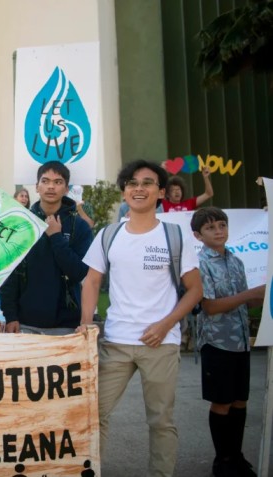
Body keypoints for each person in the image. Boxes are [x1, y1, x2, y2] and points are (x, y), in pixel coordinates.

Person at [78, 159, 203, 477]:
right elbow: (91, 282)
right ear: (124, 192)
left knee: (161, 421)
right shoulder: (109, 235)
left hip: (161, 344)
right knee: (94, 414)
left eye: (147, 183)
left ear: (161, 192)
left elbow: (194, 290)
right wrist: (86, 323)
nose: (139, 188)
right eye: (132, 183)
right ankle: (92, 471)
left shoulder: (175, 236)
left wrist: (165, 324)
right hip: (116, 342)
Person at [191, 207, 263, 477]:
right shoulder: (201, 265)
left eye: (222, 225)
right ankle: (222, 461)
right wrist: (250, 294)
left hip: (241, 342)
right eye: (211, 228)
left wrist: (261, 296)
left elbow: (247, 301)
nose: (219, 231)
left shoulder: (236, 261)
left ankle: (237, 456)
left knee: (240, 401)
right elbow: (209, 307)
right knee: (221, 402)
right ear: (198, 235)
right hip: (217, 343)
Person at [0, 161, 92, 335]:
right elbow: (9, 274)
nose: (51, 187)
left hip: (66, 325)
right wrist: (10, 315)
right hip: (25, 324)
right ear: (36, 187)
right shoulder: (20, 224)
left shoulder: (79, 227)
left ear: (66, 189)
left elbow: (79, 272)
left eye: (58, 182)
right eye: (45, 181)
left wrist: (56, 237)